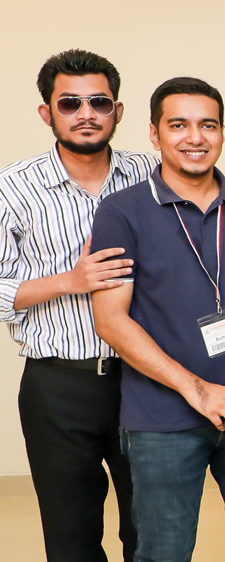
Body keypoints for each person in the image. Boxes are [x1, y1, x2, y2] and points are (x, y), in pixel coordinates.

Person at [91, 76, 225, 560]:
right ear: (155, 134)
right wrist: (198, 391)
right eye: (178, 125)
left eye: (208, 125)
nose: (195, 137)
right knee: (165, 553)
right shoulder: (122, 210)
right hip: (163, 419)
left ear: (222, 132)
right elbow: (111, 320)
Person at [0, 49, 149, 562]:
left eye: (99, 102)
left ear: (117, 111)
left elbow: (221, 191)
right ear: (47, 112)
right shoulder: (12, 187)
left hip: (144, 380)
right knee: (71, 539)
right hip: (58, 387)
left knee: (153, 531)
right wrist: (70, 281)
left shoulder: (153, 172)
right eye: (70, 103)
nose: (86, 113)